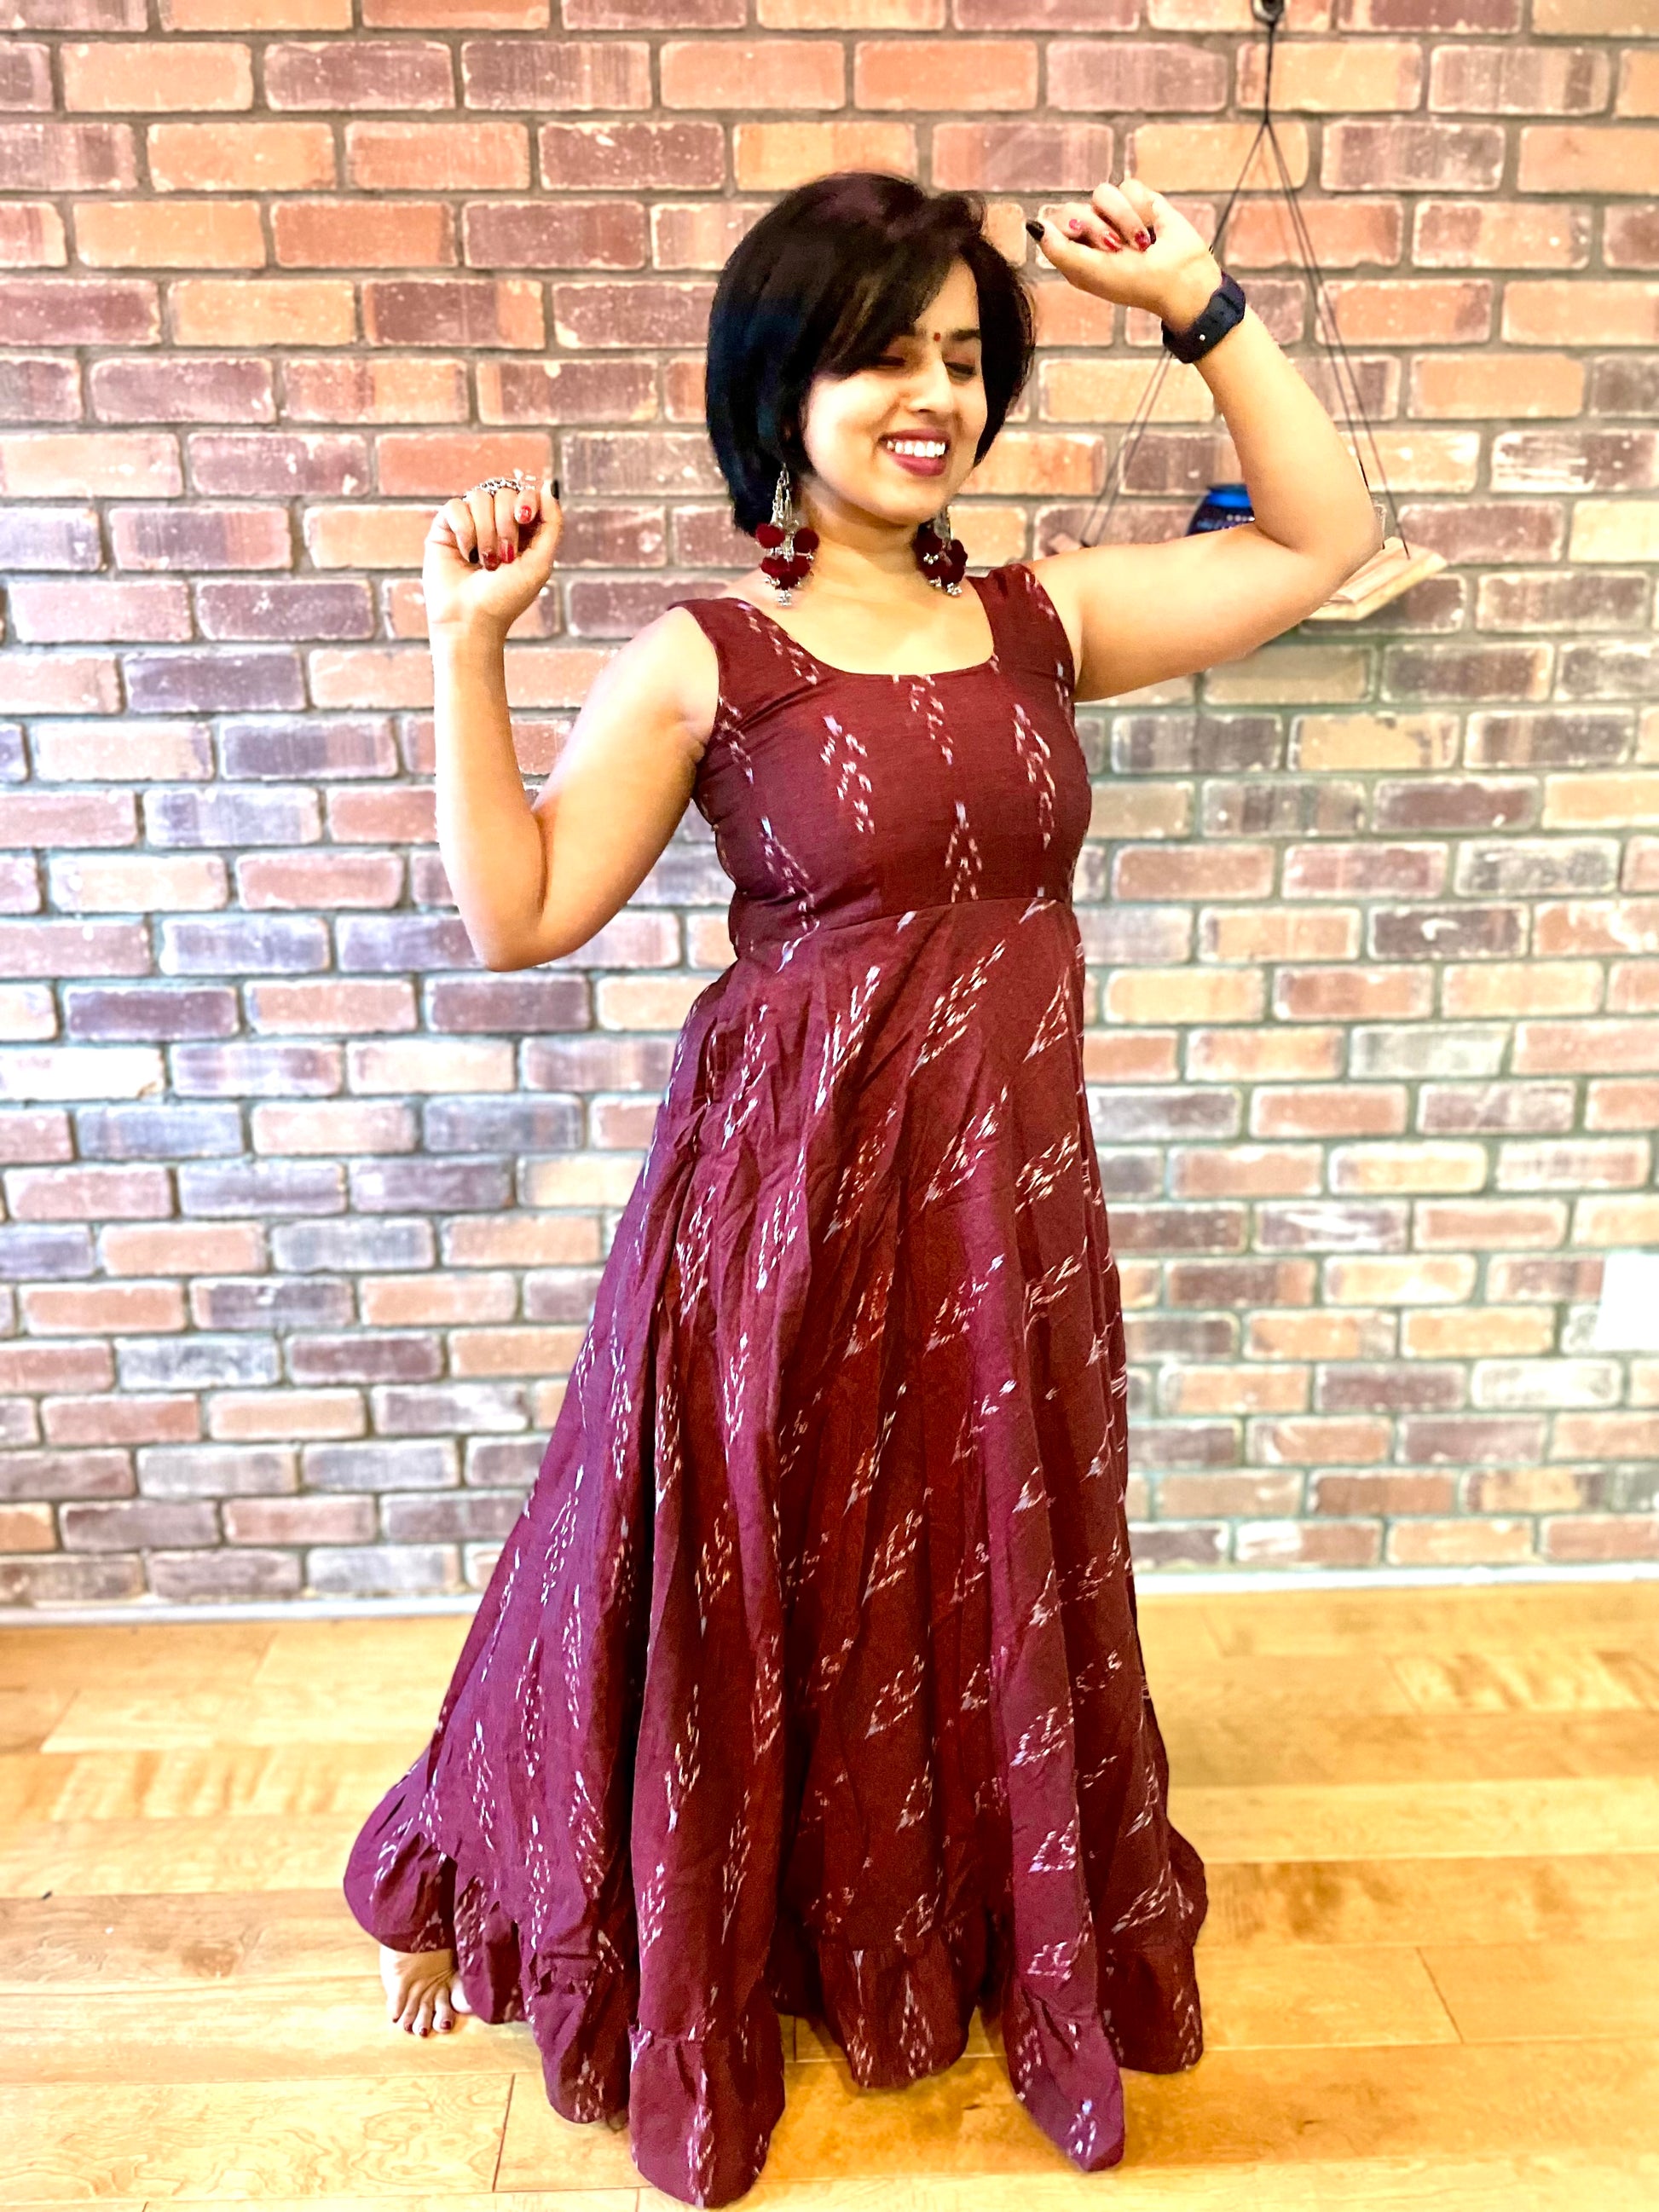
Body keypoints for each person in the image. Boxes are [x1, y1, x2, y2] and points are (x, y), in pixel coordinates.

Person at [344, 168, 1381, 2207]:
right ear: (780, 389)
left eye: (965, 360)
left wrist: (1199, 303)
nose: (935, 397)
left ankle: (927, 1909)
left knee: (974, 1550)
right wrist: (467, 648)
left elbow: (1322, 539)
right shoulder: (708, 658)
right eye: (884, 355)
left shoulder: (1042, 622)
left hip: (1003, 1221)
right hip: (778, 1215)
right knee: (746, 1561)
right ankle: (588, 1886)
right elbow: (519, 909)